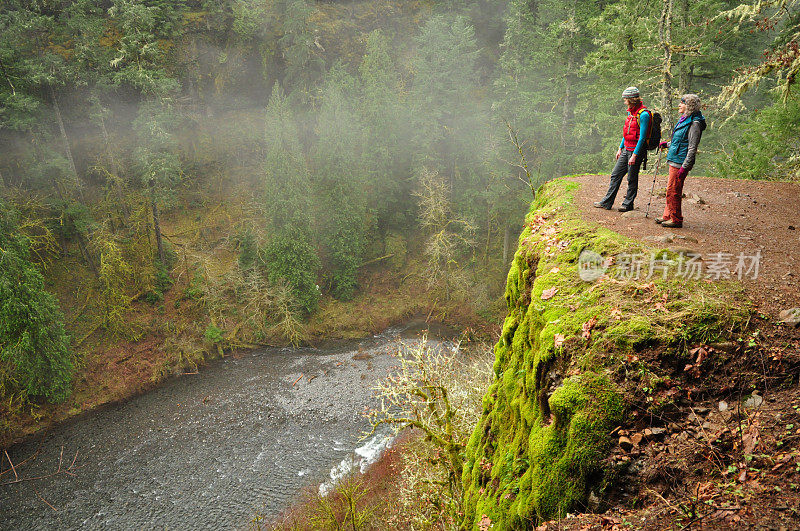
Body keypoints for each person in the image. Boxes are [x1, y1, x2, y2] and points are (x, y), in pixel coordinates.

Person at [594, 86, 650, 212]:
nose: (624, 101)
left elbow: (642, 138)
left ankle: (628, 204)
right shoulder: (630, 113)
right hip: (626, 150)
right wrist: (620, 148)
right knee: (615, 174)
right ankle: (607, 202)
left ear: (631, 99)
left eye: (625, 99)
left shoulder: (644, 115)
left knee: (631, 178)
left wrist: (635, 155)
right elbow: (626, 133)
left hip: (636, 151)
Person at [656, 94, 706, 228]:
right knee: (670, 189)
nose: (679, 105)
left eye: (682, 103)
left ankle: (676, 219)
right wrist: (667, 144)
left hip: (680, 162)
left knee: (673, 191)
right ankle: (668, 215)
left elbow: (692, 147)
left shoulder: (695, 124)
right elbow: (679, 140)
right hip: (675, 159)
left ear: (689, 106)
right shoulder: (685, 119)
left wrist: (685, 167)